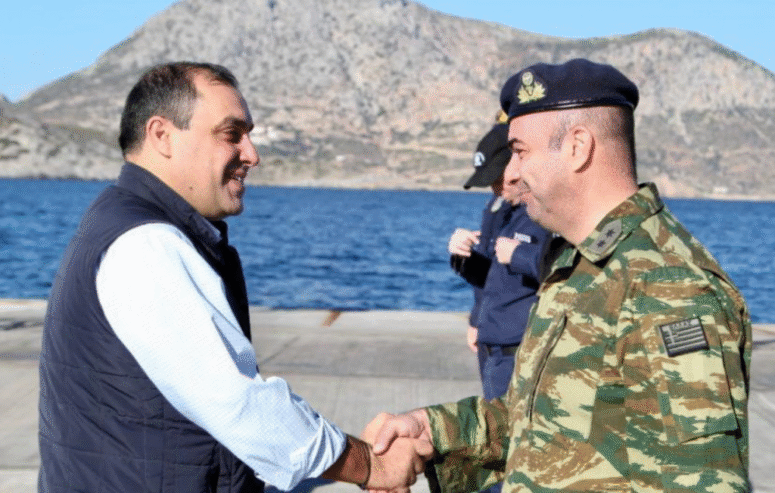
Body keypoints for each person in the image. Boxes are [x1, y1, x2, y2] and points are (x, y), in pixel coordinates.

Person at [38, 61, 431, 493]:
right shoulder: (146, 243)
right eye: (231, 134)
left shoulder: (122, 221)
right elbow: (239, 404)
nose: (252, 154)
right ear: (162, 136)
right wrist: (369, 465)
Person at [365, 59, 753, 491]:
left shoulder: (665, 287)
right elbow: (539, 422)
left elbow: (700, 480)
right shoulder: (577, 265)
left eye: (520, 151)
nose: (511, 173)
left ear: (577, 147)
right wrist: (432, 431)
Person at [449, 121, 551, 403]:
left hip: (522, 350)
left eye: (496, 178)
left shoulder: (549, 213)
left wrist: (518, 255)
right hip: (491, 346)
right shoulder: (501, 211)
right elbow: (491, 278)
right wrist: (462, 256)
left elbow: (567, 270)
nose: (495, 189)